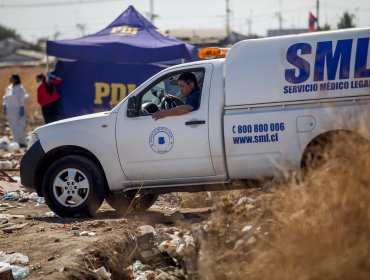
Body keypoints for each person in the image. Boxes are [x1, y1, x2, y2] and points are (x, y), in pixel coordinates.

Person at [3, 74, 29, 148]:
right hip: (10, 110)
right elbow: (5, 97)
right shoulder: (9, 88)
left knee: (19, 125)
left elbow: (24, 97)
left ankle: (22, 142)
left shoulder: (20, 88)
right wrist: (4, 106)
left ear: (16, 79)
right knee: (12, 126)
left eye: (11, 78)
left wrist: (22, 107)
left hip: (17, 109)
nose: (10, 80)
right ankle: (16, 141)